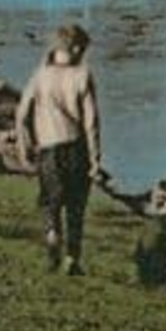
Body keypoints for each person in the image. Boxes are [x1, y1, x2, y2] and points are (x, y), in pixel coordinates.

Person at [16, 24, 105, 275]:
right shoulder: (83, 76)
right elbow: (91, 122)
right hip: (77, 149)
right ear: (76, 48)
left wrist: (25, 147)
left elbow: (21, 113)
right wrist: (95, 159)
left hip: (48, 149)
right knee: (76, 208)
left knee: (49, 202)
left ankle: (52, 233)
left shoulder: (40, 75)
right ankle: (71, 259)